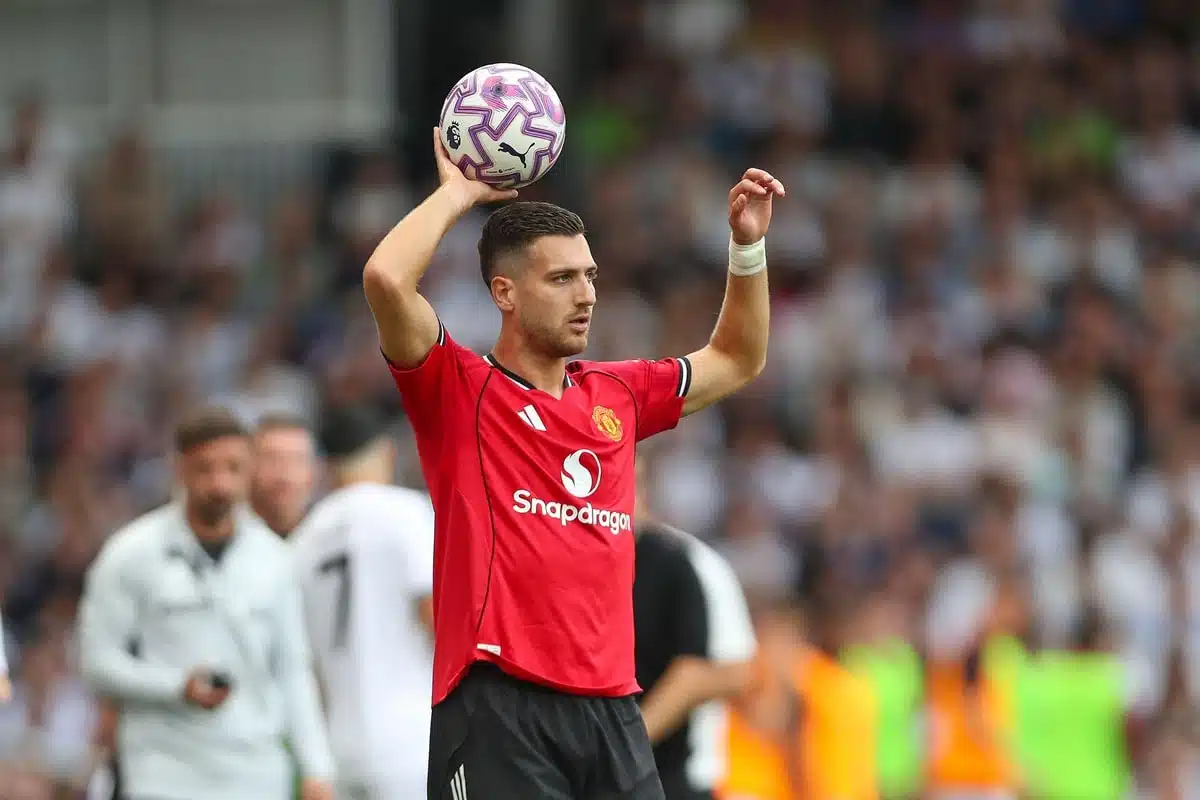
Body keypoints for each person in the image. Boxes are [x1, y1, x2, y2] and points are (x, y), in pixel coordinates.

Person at [362, 126, 782, 799]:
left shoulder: (618, 393)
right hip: (499, 705)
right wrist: (457, 195)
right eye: (561, 279)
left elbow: (737, 358)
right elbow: (386, 278)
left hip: (612, 710)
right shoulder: (459, 389)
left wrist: (747, 247)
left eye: (589, 276)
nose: (586, 294)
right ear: (505, 293)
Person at [77, 406, 335, 800]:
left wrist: (316, 770)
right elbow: (97, 662)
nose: (219, 484)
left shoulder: (274, 559)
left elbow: (292, 671)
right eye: (205, 469)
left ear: (250, 470)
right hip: (163, 774)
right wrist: (176, 686)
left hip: (256, 773)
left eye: (233, 468)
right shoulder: (131, 554)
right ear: (179, 468)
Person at [289, 404, 436, 800]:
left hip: (339, 752)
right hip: (413, 741)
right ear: (387, 452)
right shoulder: (406, 512)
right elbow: (437, 617)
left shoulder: (302, 541)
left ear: (326, 468)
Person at [632, 458, 757, 800]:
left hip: (677, 776)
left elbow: (738, 671)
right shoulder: (577, 559)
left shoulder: (692, 562)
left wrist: (629, 741)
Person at [251, 412, 321, 538]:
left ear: (314, 470)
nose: (284, 472)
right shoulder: (228, 535)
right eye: (272, 459)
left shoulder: (331, 535)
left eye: (297, 460)